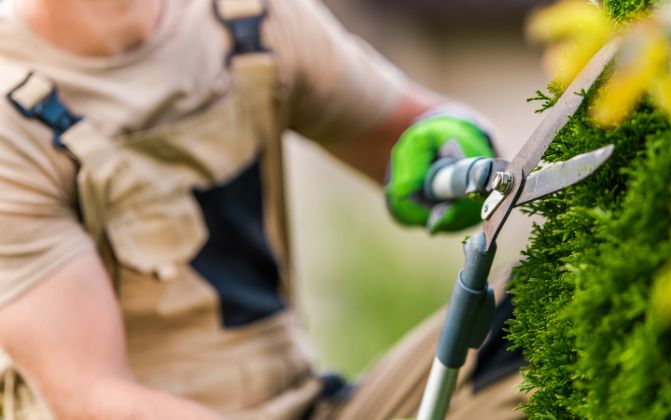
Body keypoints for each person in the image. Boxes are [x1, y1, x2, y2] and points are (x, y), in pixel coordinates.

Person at [0, 0, 525, 418]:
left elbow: (411, 138)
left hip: (309, 405)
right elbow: (91, 399)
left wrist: (456, 146)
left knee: (538, 306)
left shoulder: (250, 18)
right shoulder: (12, 112)